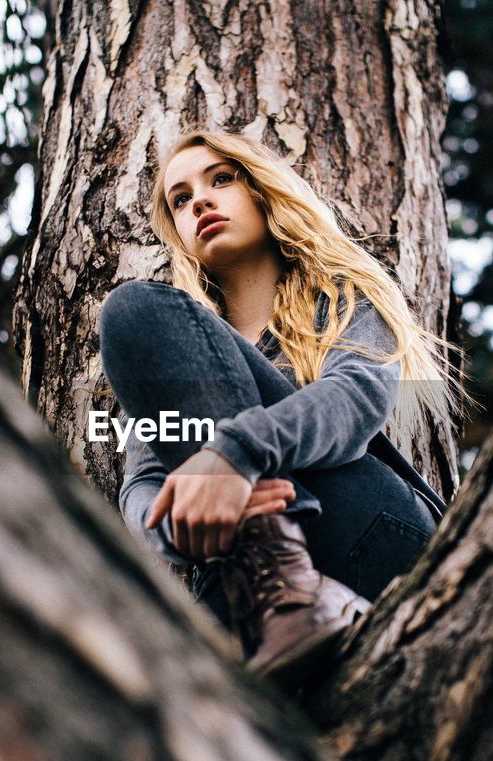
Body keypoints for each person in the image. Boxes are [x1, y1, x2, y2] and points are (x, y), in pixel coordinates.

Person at [97, 128, 467, 682]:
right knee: (133, 314)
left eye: (221, 179)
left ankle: (281, 586)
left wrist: (234, 455)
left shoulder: (343, 295)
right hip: (246, 581)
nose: (199, 200)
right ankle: (278, 586)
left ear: (262, 192)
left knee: (132, 308)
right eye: (180, 198)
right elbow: (142, 486)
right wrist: (179, 528)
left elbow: (356, 400)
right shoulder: (172, 352)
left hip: (369, 536)